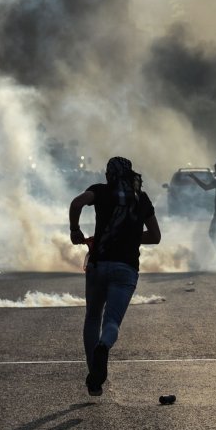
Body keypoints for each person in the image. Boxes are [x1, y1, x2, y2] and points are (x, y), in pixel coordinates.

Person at [69, 157, 162, 396]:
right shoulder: (141, 198)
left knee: (92, 317)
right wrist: (129, 235)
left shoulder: (100, 191)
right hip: (126, 268)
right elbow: (155, 236)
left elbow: (77, 203)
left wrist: (75, 230)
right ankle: (104, 346)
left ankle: (94, 376)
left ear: (109, 174)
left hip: (98, 265)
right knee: (111, 322)